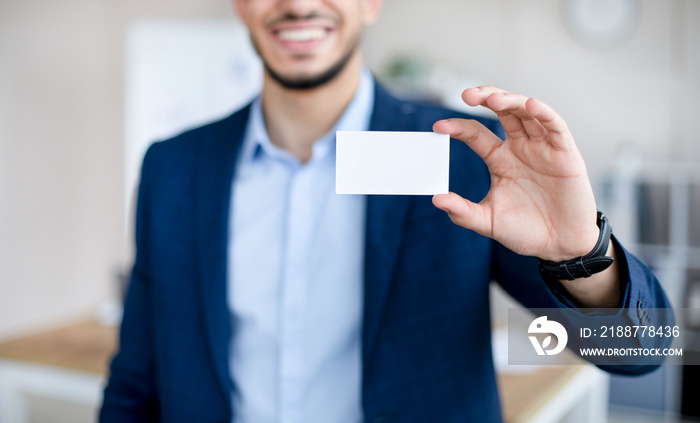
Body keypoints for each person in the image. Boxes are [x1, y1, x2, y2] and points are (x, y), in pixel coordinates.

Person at [100, 0, 671, 422]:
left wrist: (581, 254)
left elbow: (639, 353)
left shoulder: (467, 153)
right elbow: (136, 377)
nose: (297, 5)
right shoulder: (173, 167)